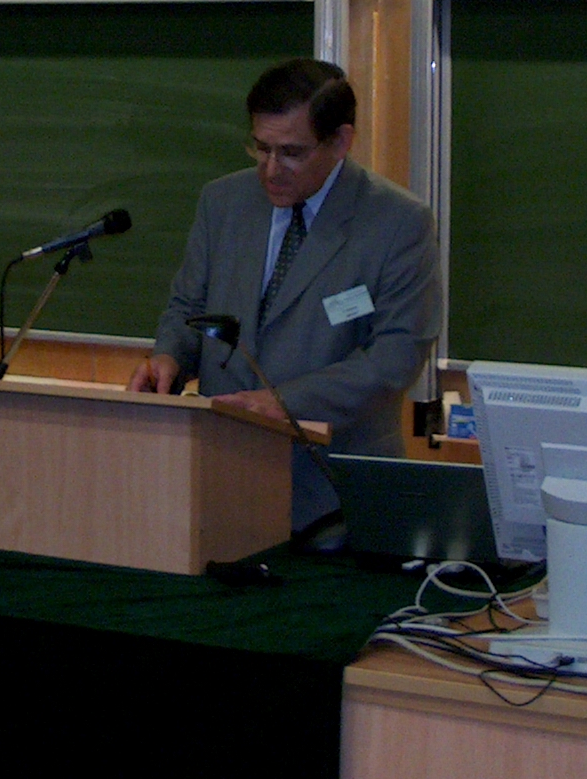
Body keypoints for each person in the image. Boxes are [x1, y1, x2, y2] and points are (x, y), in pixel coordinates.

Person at [127, 57, 439, 532]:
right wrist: (169, 358)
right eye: (261, 147)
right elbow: (189, 309)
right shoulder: (223, 202)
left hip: (334, 496)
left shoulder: (398, 223)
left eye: (291, 152)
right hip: (219, 477)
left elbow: (396, 356)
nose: (272, 169)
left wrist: (283, 401)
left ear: (340, 141)